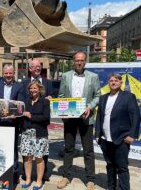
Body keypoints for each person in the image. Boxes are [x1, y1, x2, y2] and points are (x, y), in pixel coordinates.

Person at [57, 51, 100, 190]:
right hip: (70, 118)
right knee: (68, 148)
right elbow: (62, 95)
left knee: (88, 150)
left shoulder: (93, 77)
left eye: (82, 60)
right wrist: (62, 110)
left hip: (86, 118)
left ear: (85, 61)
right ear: (73, 61)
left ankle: (90, 180)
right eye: (77, 60)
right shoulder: (66, 76)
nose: (79, 62)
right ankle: (66, 176)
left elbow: (98, 95)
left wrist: (90, 106)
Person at [95, 73, 140, 190]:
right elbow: (99, 117)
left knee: (122, 167)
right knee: (110, 165)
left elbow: (136, 116)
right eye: (111, 80)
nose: (113, 82)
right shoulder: (103, 98)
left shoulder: (128, 96)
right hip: (105, 139)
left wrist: (132, 135)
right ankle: (111, 187)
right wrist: (97, 134)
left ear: (120, 83)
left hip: (121, 138)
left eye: (116, 80)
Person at [0, 64, 24, 184]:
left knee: (13, 148)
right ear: (3, 73)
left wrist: (14, 113)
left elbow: (20, 104)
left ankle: (14, 173)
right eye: (6, 73)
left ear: (14, 73)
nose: (8, 75)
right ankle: (0, 172)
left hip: (13, 122)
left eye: (10, 73)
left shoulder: (19, 86)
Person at [21, 59, 53, 181]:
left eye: (39, 66)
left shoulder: (48, 82)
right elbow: (20, 100)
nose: (37, 68)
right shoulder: (24, 83)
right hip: (27, 125)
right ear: (30, 69)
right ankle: (26, 175)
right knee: (27, 154)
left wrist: (51, 98)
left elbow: (52, 100)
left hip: (41, 126)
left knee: (41, 154)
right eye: (34, 66)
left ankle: (42, 175)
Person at [20, 81, 50, 190]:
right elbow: (22, 115)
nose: (32, 90)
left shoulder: (45, 102)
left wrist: (30, 116)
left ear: (40, 89)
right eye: (31, 89)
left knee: (39, 158)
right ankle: (28, 179)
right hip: (27, 133)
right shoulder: (26, 102)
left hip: (40, 134)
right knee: (27, 158)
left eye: (35, 88)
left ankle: (38, 181)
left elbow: (46, 118)